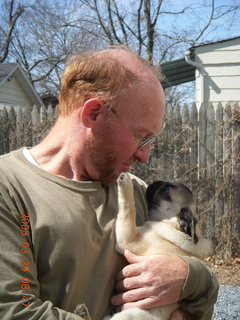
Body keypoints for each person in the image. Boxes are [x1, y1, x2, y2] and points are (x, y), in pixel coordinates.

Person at [0, 46, 218, 320]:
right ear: (93, 113)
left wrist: (191, 277)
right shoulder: (10, 189)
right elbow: (15, 309)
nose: (145, 155)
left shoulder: (135, 191)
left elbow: (201, 288)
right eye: (142, 136)